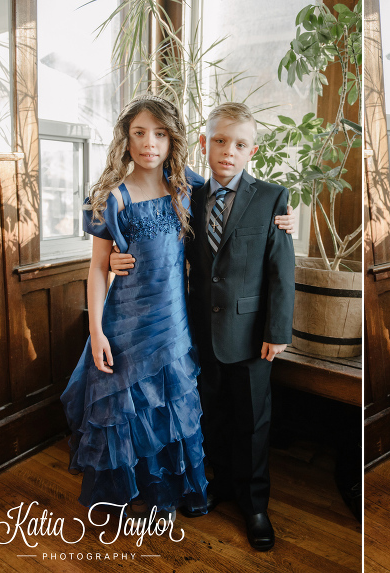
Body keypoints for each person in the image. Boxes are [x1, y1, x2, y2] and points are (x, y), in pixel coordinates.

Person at [110, 102, 295, 551]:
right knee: (206, 416)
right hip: (193, 332)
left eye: (239, 144)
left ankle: (254, 505)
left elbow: (281, 271)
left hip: (252, 336)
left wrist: (279, 331)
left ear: (252, 150)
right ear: (202, 143)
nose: (228, 152)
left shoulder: (273, 198)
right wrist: (117, 256)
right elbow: (158, 245)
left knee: (252, 422)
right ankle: (216, 484)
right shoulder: (184, 194)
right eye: (219, 141)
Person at [61, 94, 209, 522]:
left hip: (173, 320)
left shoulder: (185, 185)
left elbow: (237, 194)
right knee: (126, 410)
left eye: (159, 134)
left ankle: (171, 490)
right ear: (126, 140)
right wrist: (97, 333)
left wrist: (284, 214)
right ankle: (133, 493)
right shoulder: (114, 196)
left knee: (172, 404)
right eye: (139, 133)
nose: (149, 143)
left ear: (172, 140)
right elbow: (95, 268)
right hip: (125, 322)